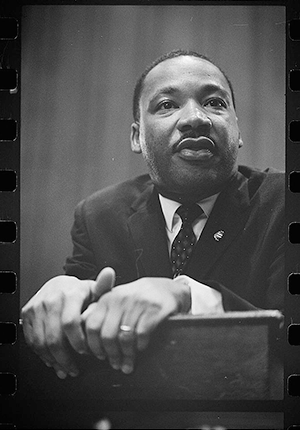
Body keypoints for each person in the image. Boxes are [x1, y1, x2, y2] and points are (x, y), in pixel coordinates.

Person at [21, 49, 284, 381]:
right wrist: (64, 295)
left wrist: (184, 295)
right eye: (167, 105)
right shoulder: (99, 215)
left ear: (238, 130)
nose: (196, 118)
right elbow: (78, 341)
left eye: (215, 103)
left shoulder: (284, 202)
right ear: (136, 137)